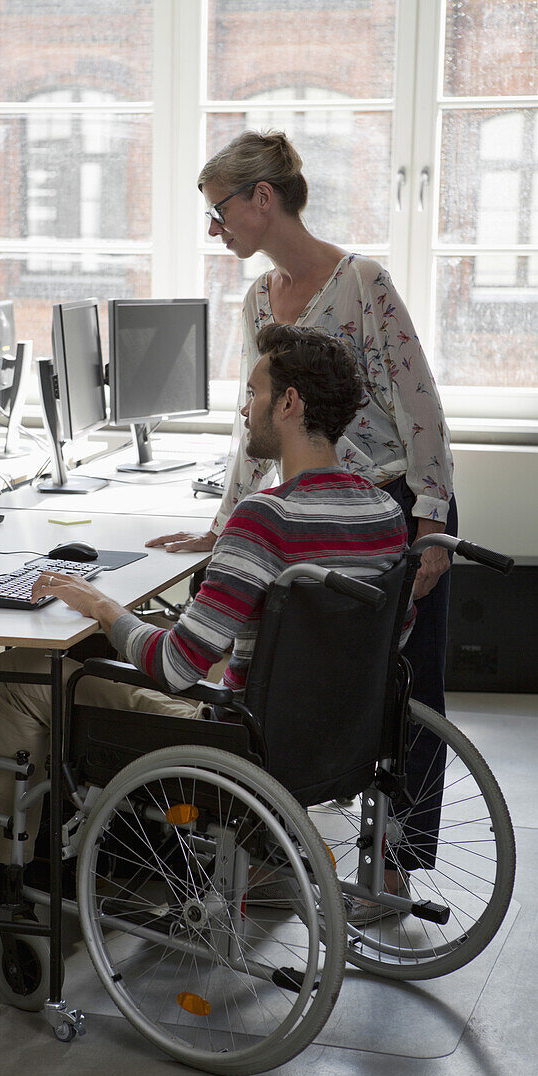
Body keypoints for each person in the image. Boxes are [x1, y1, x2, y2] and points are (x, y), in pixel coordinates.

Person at [0, 323, 412, 914]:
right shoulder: (382, 510)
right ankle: (116, 845)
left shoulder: (264, 519)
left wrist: (102, 606)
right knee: (88, 660)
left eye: (254, 394)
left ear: (290, 403)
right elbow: (387, 638)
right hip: (338, 734)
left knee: (23, 672)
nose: (246, 411)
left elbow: (175, 665)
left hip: (241, 739)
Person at [148, 133, 457, 843]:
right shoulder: (259, 299)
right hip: (313, 503)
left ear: (263, 198)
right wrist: (226, 523)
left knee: (405, 686)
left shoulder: (360, 283)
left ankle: (401, 858)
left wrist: (432, 527)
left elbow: (420, 409)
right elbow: (251, 422)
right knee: (312, 676)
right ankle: (268, 828)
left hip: (395, 505)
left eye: (219, 209)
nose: (213, 227)